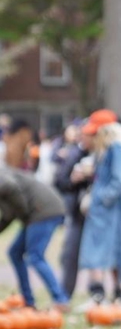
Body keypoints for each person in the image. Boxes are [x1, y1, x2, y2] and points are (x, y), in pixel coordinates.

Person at [0, 118, 70, 312]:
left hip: (44, 209)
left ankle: (60, 299)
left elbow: (9, 188)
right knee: (15, 253)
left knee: (35, 255)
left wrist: (23, 213)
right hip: (36, 212)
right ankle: (28, 301)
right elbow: (9, 212)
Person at [77, 111, 121, 308]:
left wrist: (99, 199)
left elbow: (120, 181)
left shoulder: (117, 149)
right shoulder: (109, 150)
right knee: (109, 252)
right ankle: (111, 294)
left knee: (100, 251)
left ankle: (100, 294)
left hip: (108, 211)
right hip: (107, 209)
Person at [53, 123, 91, 299]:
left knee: (100, 257)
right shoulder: (75, 153)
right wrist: (75, 180)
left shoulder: (104, 153)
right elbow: (61, 180)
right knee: (70, 254)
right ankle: (65, 294)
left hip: (98, 214)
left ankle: (102, 295)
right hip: (78, 212)